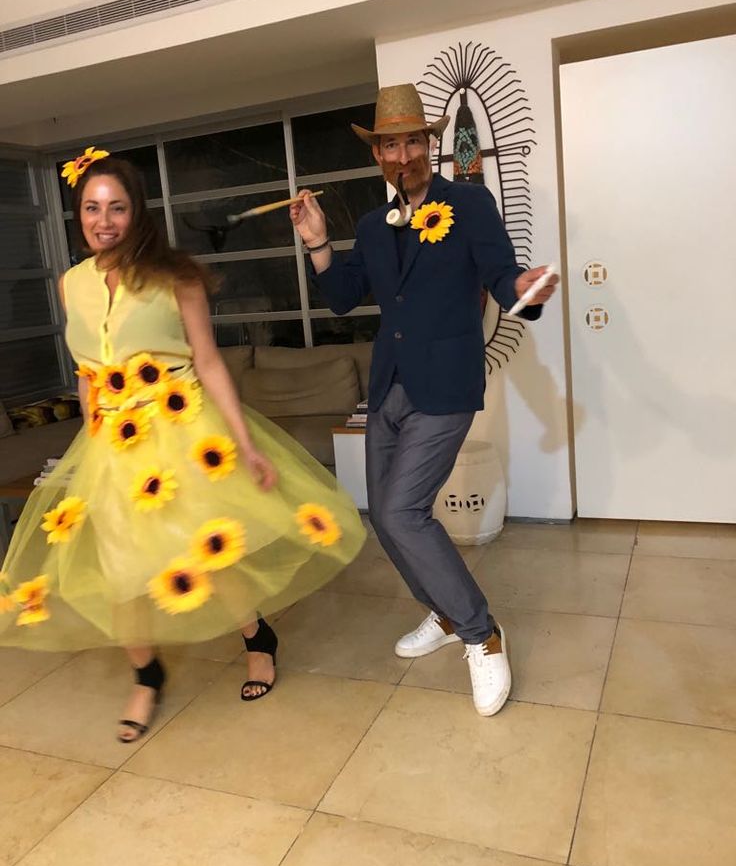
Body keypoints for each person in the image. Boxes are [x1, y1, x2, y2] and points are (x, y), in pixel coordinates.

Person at [0, 148, 365, 741]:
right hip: (114, 446)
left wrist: (245, 444)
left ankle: (256, 635)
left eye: (117, 208)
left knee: (207, 553)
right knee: (120, 571)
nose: (104, 220)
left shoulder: (178, 276)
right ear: (78, 214)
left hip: (183, 437)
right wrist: (87, 452)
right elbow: (89, 373)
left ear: (135, 213)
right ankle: (146, 674)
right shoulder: (71, 285)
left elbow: (209, 363)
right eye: (92, 208)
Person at [290, 84, 558, 717]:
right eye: (390, 143)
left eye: (413, 139)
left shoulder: (468, 203)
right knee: (384, 514)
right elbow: (342, 297)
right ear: (379, 155)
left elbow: (501, 275)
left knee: (405, 511)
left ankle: (481, 633)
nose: (402, 153)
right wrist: (317, 241)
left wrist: (524, 287)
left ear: (429, 145)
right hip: (389, 384)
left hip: (446, 386)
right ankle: (440, 613)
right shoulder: (373, 225)